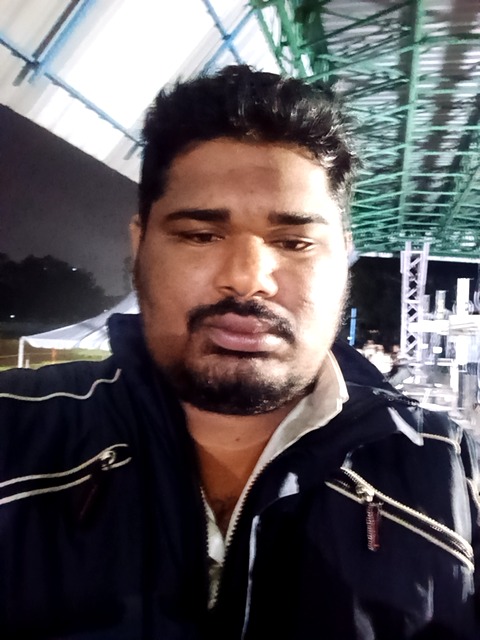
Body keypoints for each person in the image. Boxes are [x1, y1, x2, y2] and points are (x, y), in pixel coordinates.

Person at [0, 65, 479, 640]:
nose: (249, 279)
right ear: (140, 242)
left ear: (343, 258)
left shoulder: (454, 472)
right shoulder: (14, 431)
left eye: (295, 242)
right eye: (201, 235)